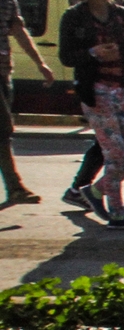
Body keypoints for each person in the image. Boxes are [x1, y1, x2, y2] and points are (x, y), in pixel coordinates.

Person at [58, 0, 124, 230]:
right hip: (96, 91)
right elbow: (66, 56)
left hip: (123, 91)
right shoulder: (74, 16)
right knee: (116, 153)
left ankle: (96, 190)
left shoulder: (121, 15)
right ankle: (117, 214)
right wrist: (93, 53)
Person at [0, 0, 53, 207]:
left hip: (3, 73)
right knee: (3, 130)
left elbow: (18, 30)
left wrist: (40, 63)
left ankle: (15, 188)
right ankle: (15, 188)